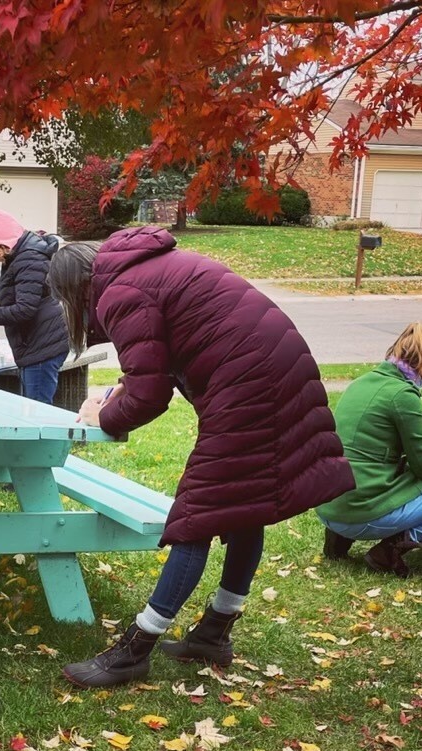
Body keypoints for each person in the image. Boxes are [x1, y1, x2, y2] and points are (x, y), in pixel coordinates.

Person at [46, 227, 354, 688]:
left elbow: (149, 396)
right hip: (276, 367)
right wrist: (118, 396)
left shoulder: (118, 293)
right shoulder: (142, 270)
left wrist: (102, 417)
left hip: (251, 381)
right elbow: (162, 360)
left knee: (198, 513)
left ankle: (137, 648)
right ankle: (214, 632)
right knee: (242, 502)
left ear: (75, 290)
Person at [316, 322, 422, 577]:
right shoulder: (404, 395)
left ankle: (338, 540)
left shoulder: (363, 382)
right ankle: (389, 551)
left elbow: (368, 440)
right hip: (361, 513)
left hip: (330, 508)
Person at [0, 209, 69, 404]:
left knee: (37, 414)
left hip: (41, 345)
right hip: (37, 342)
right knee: (33, 408)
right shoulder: (20, 255)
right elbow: (23, 293)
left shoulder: (29, 259)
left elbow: (24, 310)